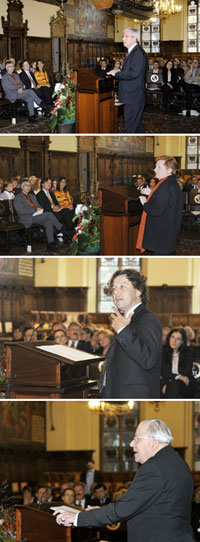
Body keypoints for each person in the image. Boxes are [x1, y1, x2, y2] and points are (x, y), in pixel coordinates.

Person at [54, 418, 195, 542]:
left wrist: (78, 517)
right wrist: (101, 512)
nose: (132, 444)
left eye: (137, 438)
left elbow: (124, 509)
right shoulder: (178, 463)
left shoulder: (154, 467)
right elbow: (146, 507)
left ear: (152, 442)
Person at [98, 268, 162, 399]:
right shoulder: (125, 320)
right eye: (114, 288)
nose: (116, 292)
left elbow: (148, 359)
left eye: (123, 286)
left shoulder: (147, 318)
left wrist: (122, 330)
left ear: (138, 291)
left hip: (134, 394)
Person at [136, 155, 183, 255]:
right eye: (155, 166)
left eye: (159, 167)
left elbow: (156, 210)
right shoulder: (171, 182)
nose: (155, 170)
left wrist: (145, 202)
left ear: (169, 169)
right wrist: (151, 193)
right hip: (167, 234)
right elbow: (166, 201)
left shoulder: (165, 185)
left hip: (161, 236)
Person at [107, 28, 147, 133]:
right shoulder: (132, 52)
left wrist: (117, 73)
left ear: (134, 38)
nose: (123, 39)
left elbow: (134, 73)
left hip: (134, 96)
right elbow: (131, 70)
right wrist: (118, 71)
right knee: (136, 124)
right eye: (123, 36)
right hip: (132, 95)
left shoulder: (137, 53)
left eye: (126, 36)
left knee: (130, 128)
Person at [13, 178, 63, 250]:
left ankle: (50, 243)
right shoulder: (18, 198)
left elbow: (39, 206)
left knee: (48, 221)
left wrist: (39, 209)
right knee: (48, 214)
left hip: (36, 216)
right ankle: (61, 229)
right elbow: (21, 211)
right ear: (22, 187)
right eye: (26, 185)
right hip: (26, 218)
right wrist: (35, 210)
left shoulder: (32, 196)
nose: (28, 187)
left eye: (29, 185)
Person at [161, 328, 195, 398]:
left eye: (178, 339)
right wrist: (178, 376)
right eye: (172, 337)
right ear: (169, 338)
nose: (174, 341)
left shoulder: (188, 352)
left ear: (182, 342)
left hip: (183, 382)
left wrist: (176, 379)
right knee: (173, 387)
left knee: (175, 386)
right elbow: (164, 372)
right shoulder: (163, 352)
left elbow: (187, 371)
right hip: (167, 381)